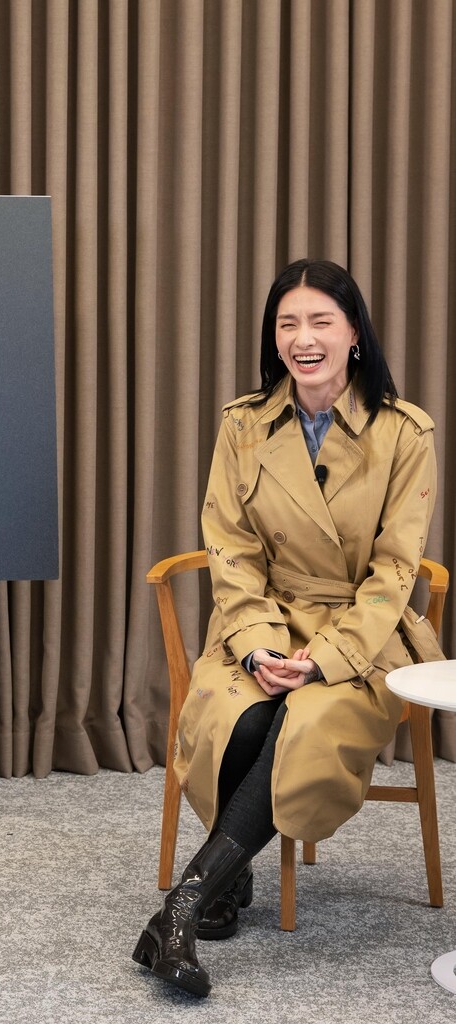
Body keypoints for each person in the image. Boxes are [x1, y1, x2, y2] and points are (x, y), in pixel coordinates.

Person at [133, 258, 443, 997]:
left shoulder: (406, 432)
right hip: (258, 618)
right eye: (287, 324)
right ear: (275, 339)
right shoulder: (243, 424)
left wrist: (322, 658)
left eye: (320, 321)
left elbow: (396, 571)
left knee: (306, 723)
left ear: (355, 334)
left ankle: (183, 905)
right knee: (237, 720)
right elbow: (230, 550)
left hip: (362, 633)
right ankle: (225, 882)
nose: (303, 338)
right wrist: (260, 645)